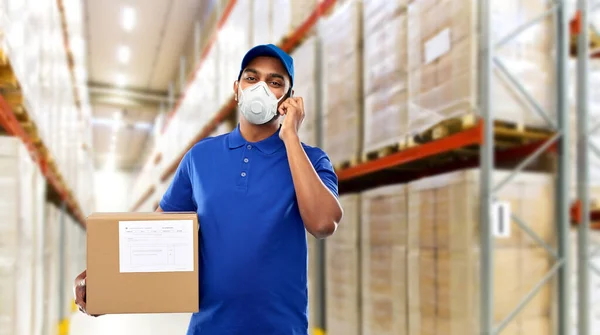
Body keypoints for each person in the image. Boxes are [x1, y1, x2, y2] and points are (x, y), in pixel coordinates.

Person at [74, 43, 343, 335]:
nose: (260, 88)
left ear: (288, 100)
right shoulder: (200, 157)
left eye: (275, 82)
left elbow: (322, 223)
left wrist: (289, 135)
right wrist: (106, 284)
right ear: (236, 89)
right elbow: (157, 237)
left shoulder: (310, 159)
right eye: (251, 78)